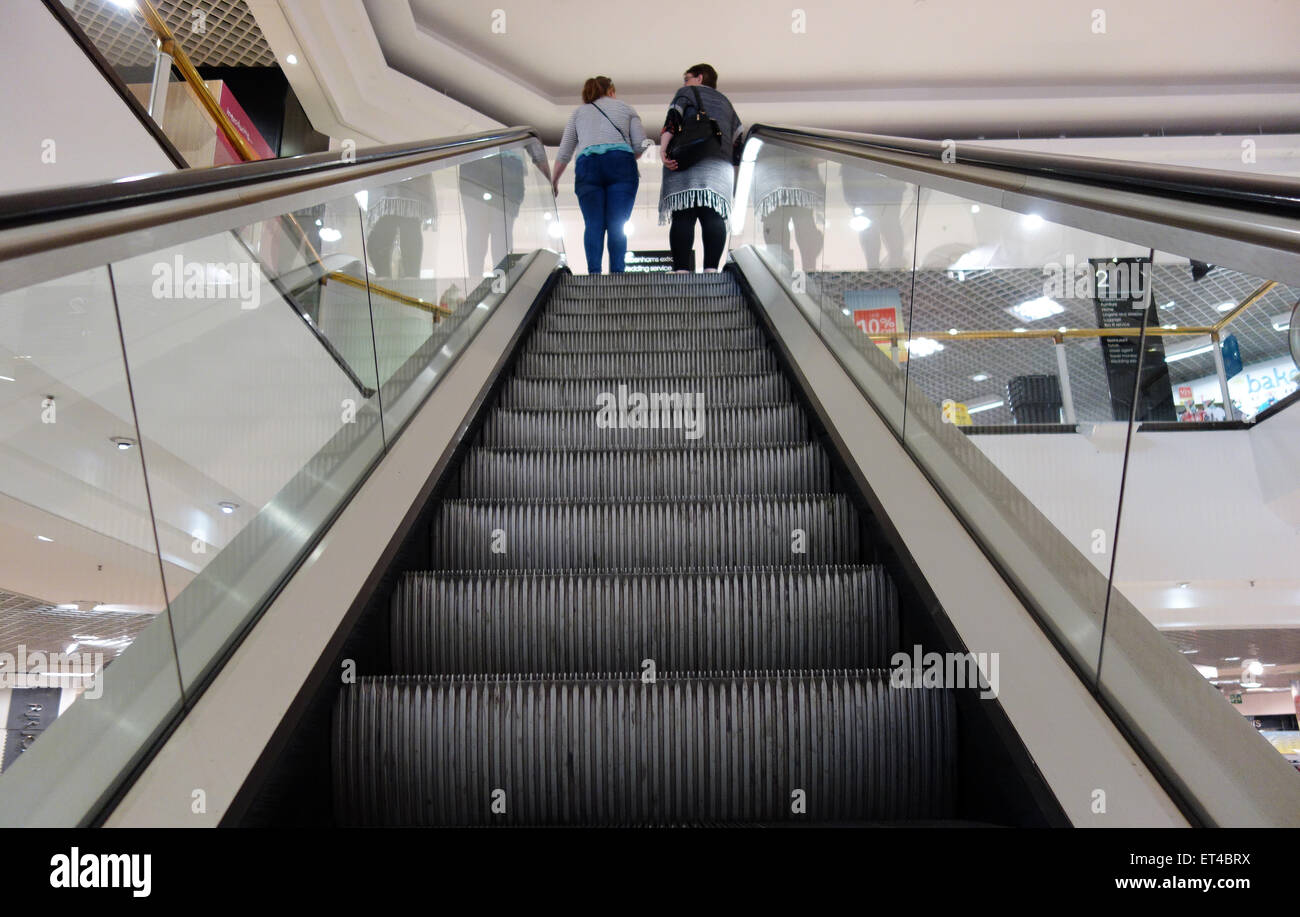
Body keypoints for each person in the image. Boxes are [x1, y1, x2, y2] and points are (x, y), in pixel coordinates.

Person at [552, 76, 649, 273]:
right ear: (611, 91)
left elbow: (564, 152)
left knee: (593, 223)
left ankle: (594, 273)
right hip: (621, 164)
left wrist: (554, 180)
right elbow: (640, 143)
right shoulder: (626, 108)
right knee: (618, 223)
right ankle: (617, 274)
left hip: (588, 166)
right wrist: (629, 155)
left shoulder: (578, 113)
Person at [658, 64, 743, 273]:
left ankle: (681, 270)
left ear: (700, 77)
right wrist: (735, 176)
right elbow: (738, 140)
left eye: (687, 78)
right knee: (713, 215)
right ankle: (711, 270)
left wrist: (663, 149)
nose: (684, 83)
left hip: (686, 162)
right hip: (719, 168)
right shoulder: (727, 104)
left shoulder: (686, 93)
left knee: (683, 215)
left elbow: (672, 122)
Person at [460, 150, 526, 279]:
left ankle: (476, 280)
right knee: (499, 233)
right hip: (508, 164)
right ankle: (499, 280)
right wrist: (540, 161)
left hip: (475, 161)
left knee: (479, 231)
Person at [365, 174, 435, 279]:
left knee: (406, 226)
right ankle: (399, 275)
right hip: (397, 181)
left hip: (401, 179)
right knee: (403, 226)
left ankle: (396, 275)